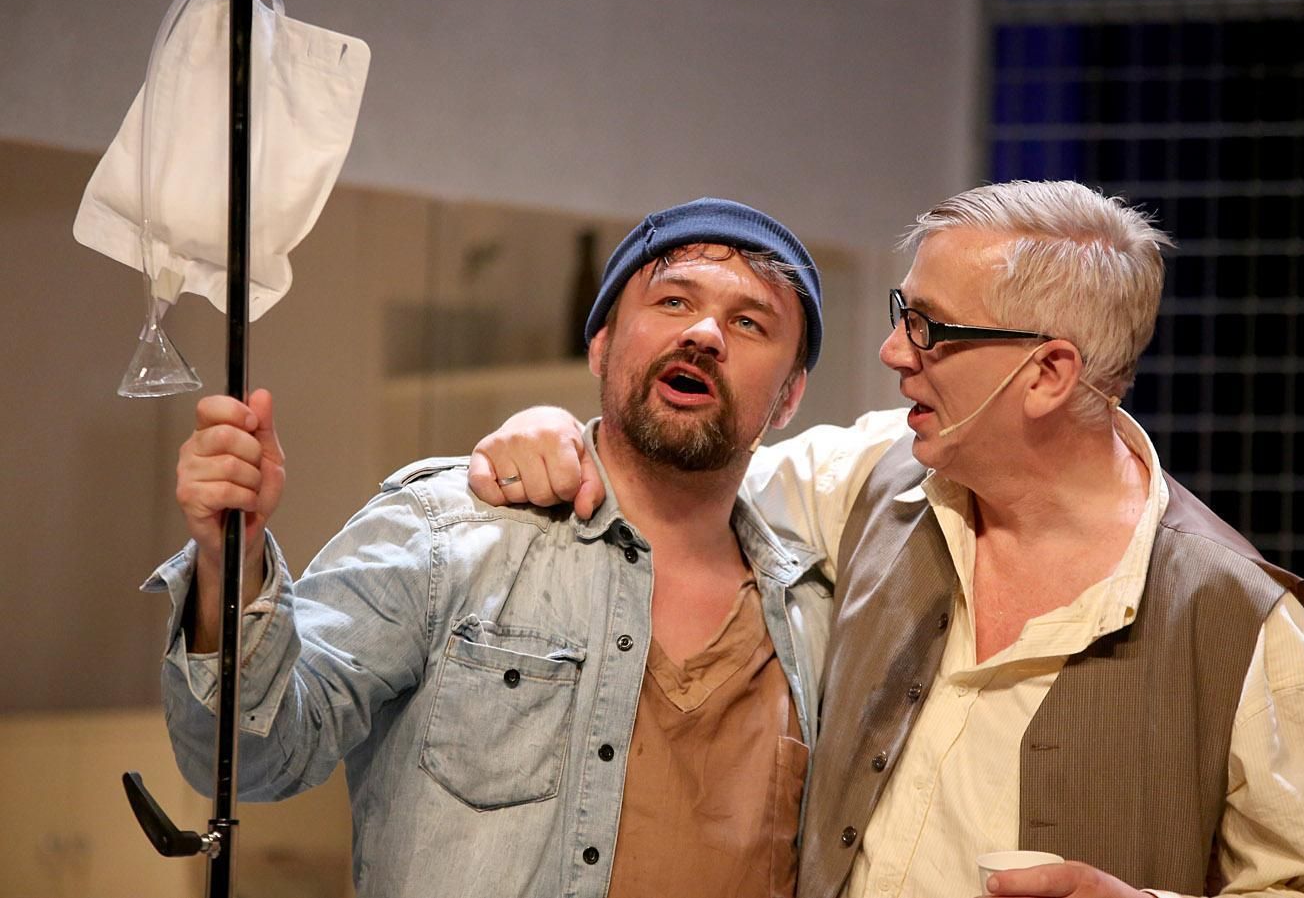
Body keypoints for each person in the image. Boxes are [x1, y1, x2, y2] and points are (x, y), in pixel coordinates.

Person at [469, 181, 1304, 898]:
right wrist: (550, 434)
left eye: (928, 328)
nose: (893, 352)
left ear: (1047, 373)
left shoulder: (1241, 623)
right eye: (901, 313)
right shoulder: (869, 478)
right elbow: (669, 475)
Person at [146, 197, 837, 898]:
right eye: (673, 300)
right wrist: (229, 564)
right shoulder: (445, 532)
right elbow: (252, 756)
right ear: (600, 344)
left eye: (749, 322)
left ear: (789, 396)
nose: (705, 333)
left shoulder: (817, 619)